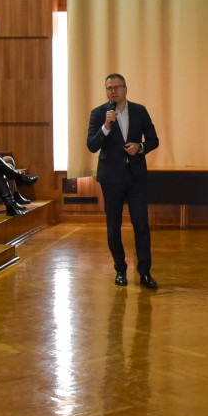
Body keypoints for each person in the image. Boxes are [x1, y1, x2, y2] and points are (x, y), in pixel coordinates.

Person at [86, 73, 160, 289]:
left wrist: (141, 147)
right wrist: (106, 126)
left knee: (141, 225)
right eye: (109, 88)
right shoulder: (99, 114)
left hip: (136, 176)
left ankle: (145, 272)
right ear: (106, 91)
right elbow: (92, 145)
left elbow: (154, 140)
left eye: (117, 87)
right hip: (111, 178)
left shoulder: (139, 110)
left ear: (126, 89)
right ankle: (120, 270)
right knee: (113, 225)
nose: (114, 91)